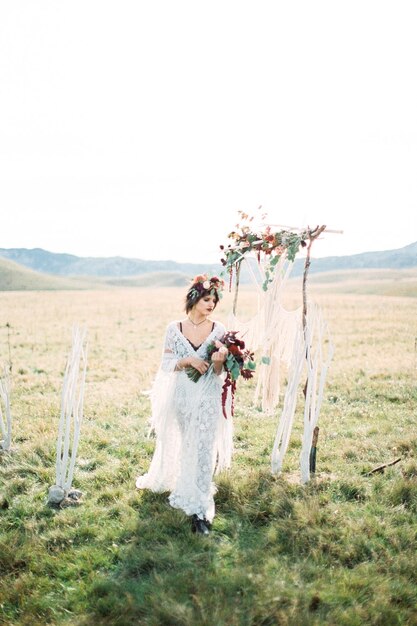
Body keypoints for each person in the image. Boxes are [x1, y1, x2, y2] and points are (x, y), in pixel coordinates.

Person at [136, 274, 233, 535]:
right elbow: (167, 364)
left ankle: (200, 509)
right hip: (182, 395)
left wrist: (219, 359)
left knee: (203, 446)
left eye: (214, 300)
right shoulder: (174, 328)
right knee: (187, 442)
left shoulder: (220, 330)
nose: (211, 304)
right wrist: (189, 360)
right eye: (206, 299)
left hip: (208, 395)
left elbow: (218, 371)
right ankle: (185, 482)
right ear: (194, 299)